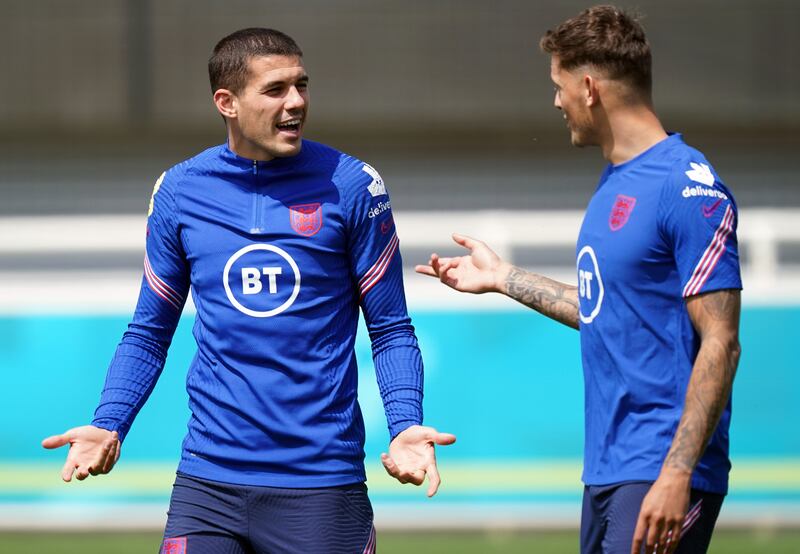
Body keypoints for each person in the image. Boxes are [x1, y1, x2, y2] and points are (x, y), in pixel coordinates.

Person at [42, 27, 455, 554]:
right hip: (207, 482)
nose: (297, 102)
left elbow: (391, 328)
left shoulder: (352, 184)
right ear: (227, 103)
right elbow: (149, 332)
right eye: (276, 89)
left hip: (321, 485)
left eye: (302, 85)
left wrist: (404, 423)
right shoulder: (181, 190)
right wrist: (109, 423)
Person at [416, 6, 741, 554]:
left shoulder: (688, 187)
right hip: (610, 469)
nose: (555, 101)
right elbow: (607, 310)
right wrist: (504, 279)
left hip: (658, 469)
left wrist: (676, 474)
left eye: (558, 85)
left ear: (588, 87)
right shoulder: (615, 183)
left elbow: (722, 341)